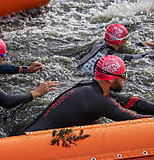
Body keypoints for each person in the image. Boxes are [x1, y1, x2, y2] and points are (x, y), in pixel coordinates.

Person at [23, 55, 153, 132]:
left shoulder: (90, 88)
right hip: (27, 143)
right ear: (111, 79)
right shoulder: (99, 101)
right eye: (124, 75)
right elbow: (135, 120)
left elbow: (132, 103)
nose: (125, 78)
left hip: (26, 133)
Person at [77, 23, 153, 75]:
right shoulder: (113, 57)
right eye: (126, 37)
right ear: (119, 42)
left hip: (77, 70)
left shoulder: (98, 43)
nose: (128, 38)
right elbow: (143, 56)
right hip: (87, 77)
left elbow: (133, 44)